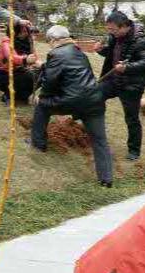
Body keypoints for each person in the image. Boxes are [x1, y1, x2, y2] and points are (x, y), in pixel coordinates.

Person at [31, 25, 114, 188]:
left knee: (42, 106)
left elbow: (50, 81)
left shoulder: (55, 53)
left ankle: (38, 144)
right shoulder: (79, 52)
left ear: (54, 40)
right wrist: (44, 66)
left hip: (72, 100)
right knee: (99, 139)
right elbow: (72, 71)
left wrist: (41, 97)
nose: (49, 44)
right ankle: (106, 179)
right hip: (94, 100)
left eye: (49, 41)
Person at [95, 11, 145, 162]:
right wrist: (101, 50)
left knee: (131, 118)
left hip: (132, 84)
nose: (110, 32)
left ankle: (134, 150)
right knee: (95, 95)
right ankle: (97, 131)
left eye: (113, 29)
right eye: (109, 29)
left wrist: (127, 67)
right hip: (114, 79)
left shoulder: (140, 40)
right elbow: (112, 53)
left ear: (124, 26)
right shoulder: (115, 36)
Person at [0, 22, 39, 104]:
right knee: (28, 77)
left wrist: (42, 65)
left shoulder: (28, 43)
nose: (25, 34)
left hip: (19, 71)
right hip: (4, 74)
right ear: (15, 31)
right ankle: (8, 95)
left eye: (26, 31)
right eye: (23, 31)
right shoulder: (6, 42)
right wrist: (25, 60)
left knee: (40, 75)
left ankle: (21, 96)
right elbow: (11, 57)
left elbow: (35, 58)